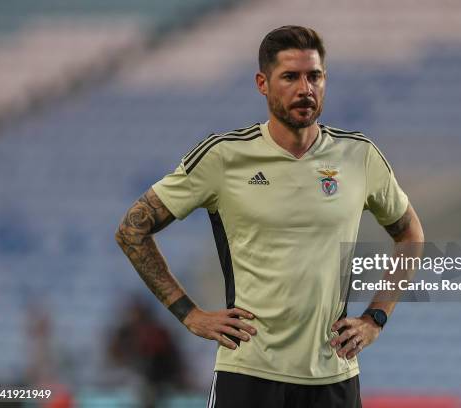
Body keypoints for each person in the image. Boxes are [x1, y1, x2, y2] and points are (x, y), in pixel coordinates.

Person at [115, 25, 424, 408]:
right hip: (248, 374)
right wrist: (189, 314)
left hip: (333, 375)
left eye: (314, 76)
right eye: (290, 77)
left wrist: (376, 317)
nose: (304, 89)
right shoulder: (224, 156)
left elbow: (410, 234)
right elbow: (132, 230)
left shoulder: (359, 156)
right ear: (263, 83)